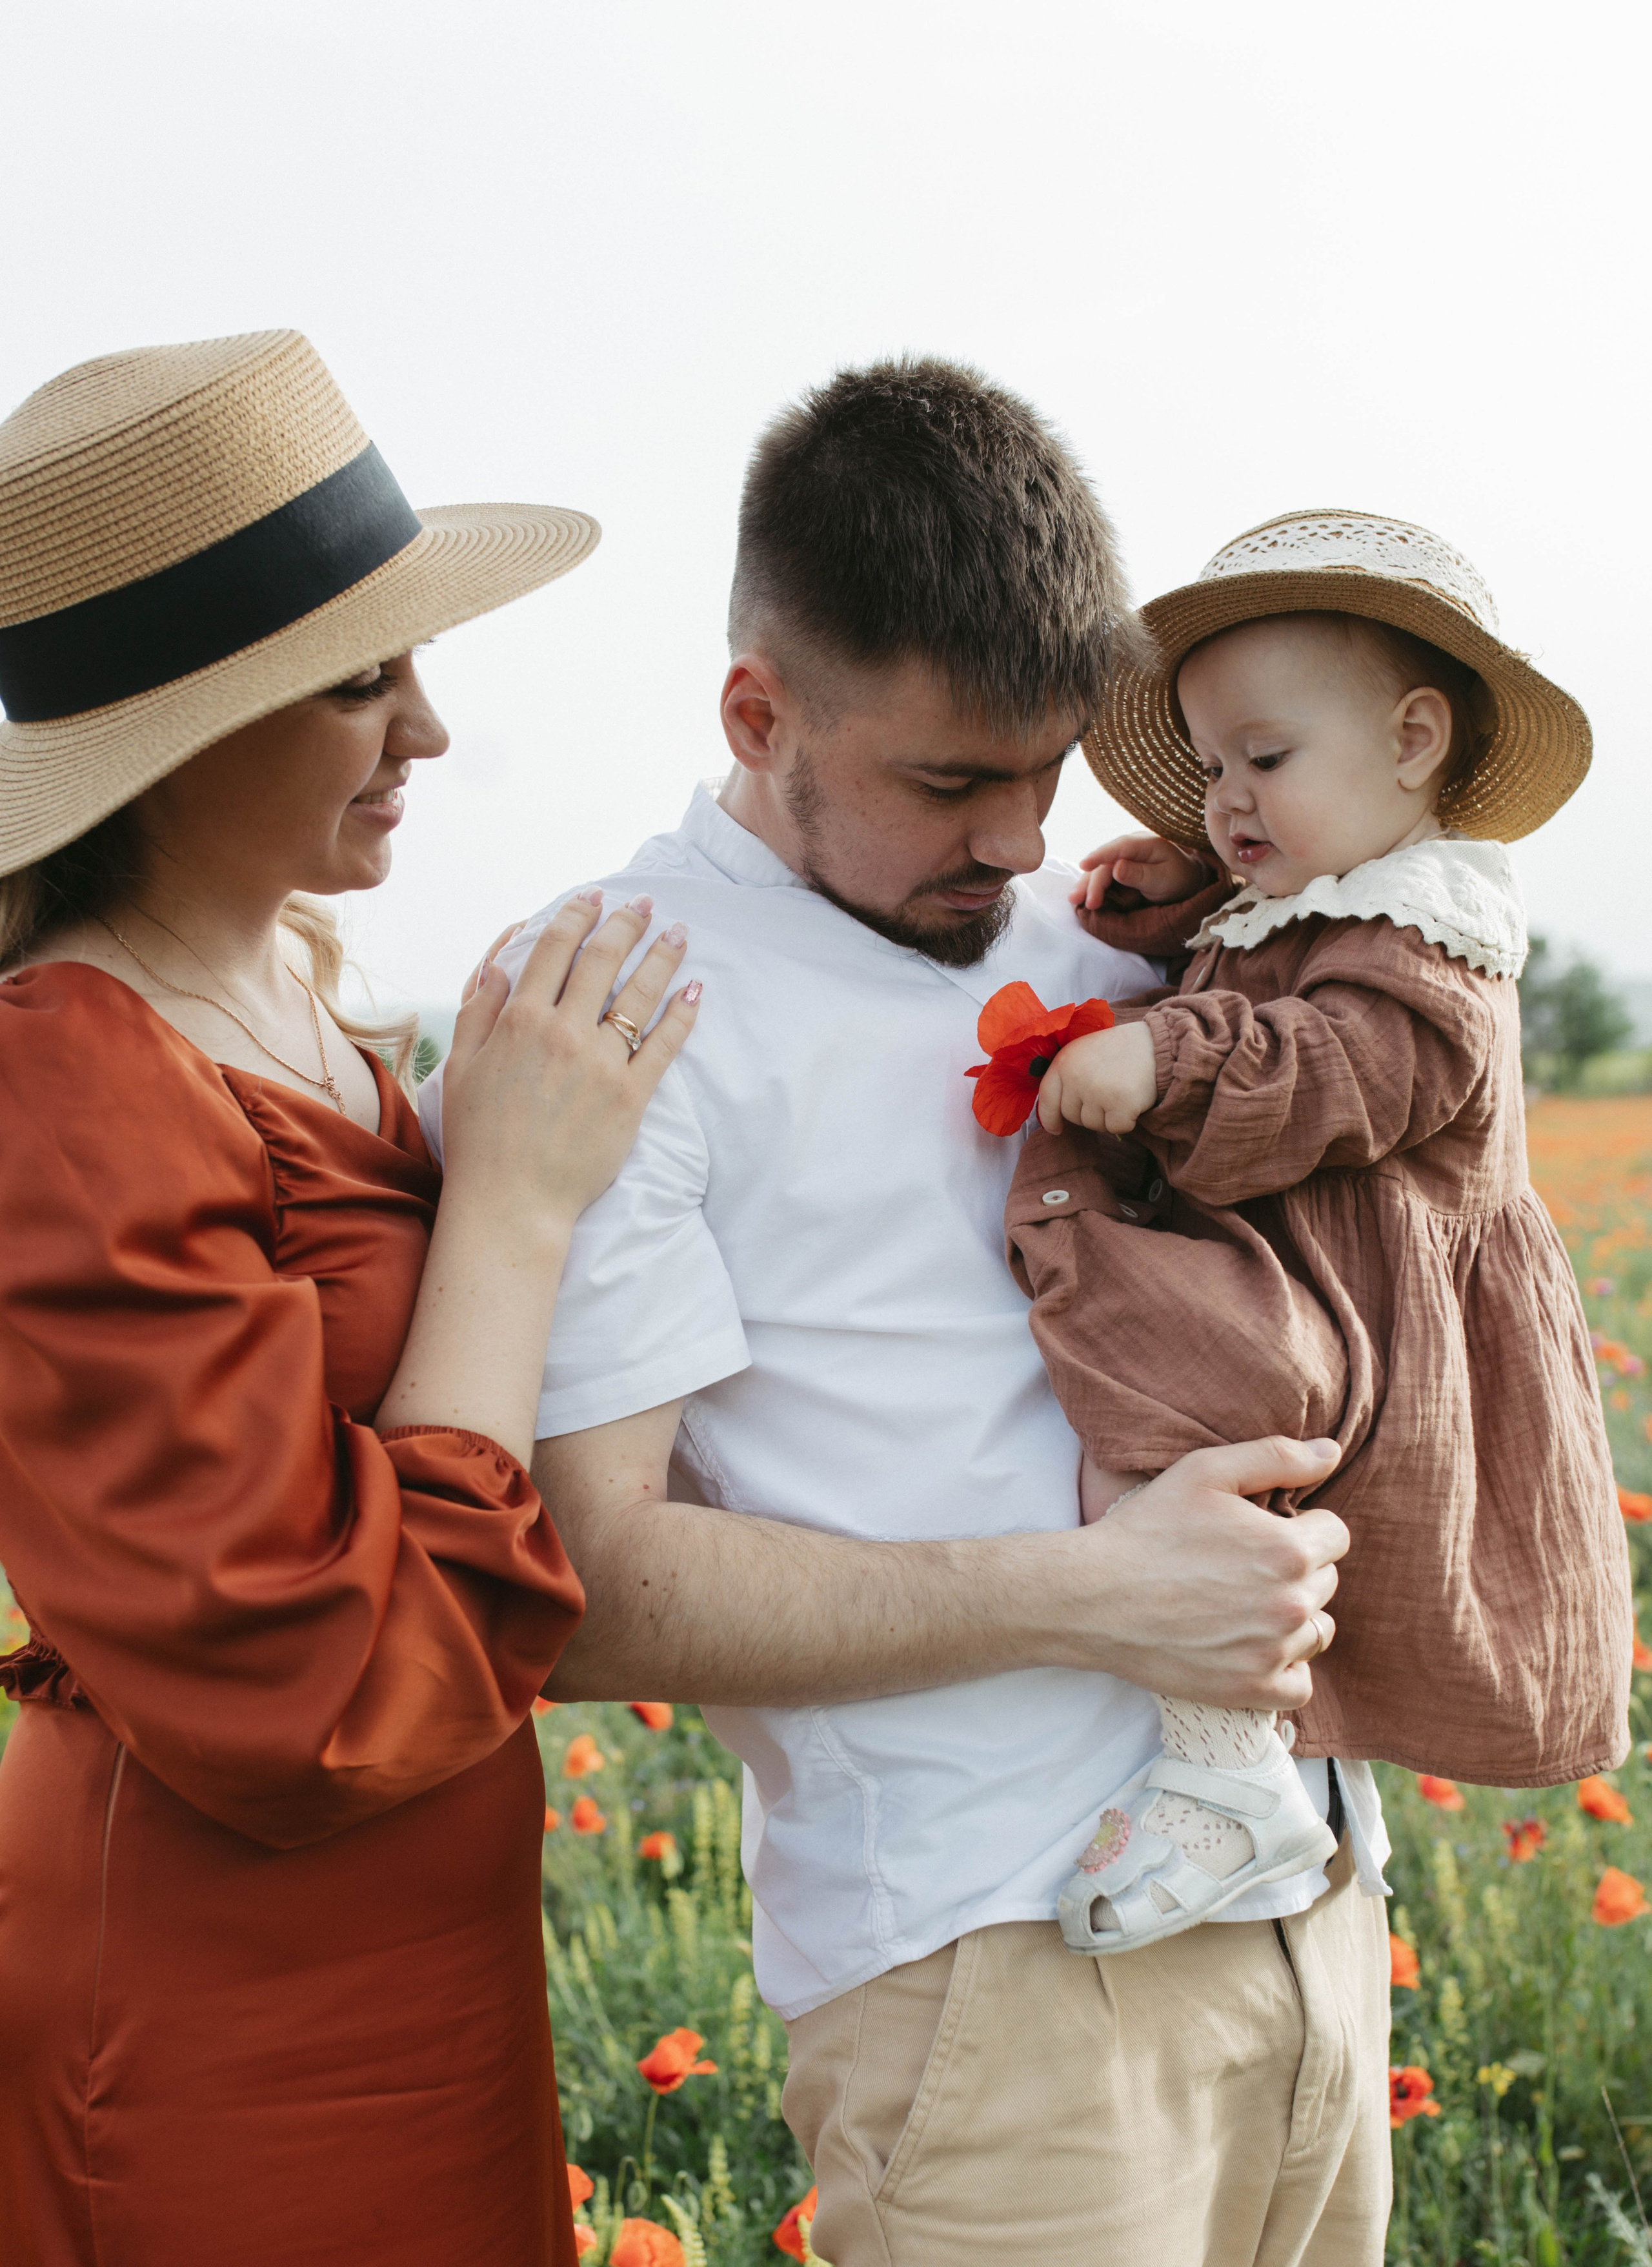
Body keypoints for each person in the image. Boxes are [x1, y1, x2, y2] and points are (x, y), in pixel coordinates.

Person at [432, 361, 1382, 2267]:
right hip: (992, 1971)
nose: (1017, 840)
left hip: (1313, 1906)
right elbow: (586, 1593)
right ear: (755, 711)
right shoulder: (610, 1004)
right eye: (950, 782)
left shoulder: (1098, 930)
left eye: (1048, 772)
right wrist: (1097, 1598)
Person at [0, 329, 698, 2267]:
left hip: (417, 1948)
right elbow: (301, 1685)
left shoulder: (301, 1006)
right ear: (177, 727)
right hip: (225, 1985)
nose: (432, 735)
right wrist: (519, 1208)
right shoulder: (67, 1072)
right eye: (360, 680)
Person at [992, 509, 1629, 1957]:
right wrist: (1183, 906)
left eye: (1261, 761)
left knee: (1190, 1399)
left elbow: (1343, 1065)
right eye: (1209, 770)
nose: (1225, 798)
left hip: (1365, 1325)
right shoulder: (1314, 893)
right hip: (1307, 1288)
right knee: (1207, 1439)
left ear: (1412, 739)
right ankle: (1289, 1773)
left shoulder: (1430, 943)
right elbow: (1268, 947)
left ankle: (1226, 1777)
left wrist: (1167, 1057)